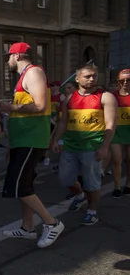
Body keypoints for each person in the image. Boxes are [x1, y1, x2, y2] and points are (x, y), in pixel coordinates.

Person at [0, 42, 65, 248]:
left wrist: (10, 106)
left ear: (17, 56)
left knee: (17, 184)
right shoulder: (25, 75)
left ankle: (52, 222)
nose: (8, 61)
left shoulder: (33, 72)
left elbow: (39, 105)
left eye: (9, 57)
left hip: (31, 138)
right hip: (23, 139)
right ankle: (28, 228)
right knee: (24, 185)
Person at [52, 64, 117, 225]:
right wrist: (55, 140)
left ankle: (92, 211)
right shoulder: (69, 98)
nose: (91, 79)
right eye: (87, 76)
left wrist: (104, 146)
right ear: (77, 78)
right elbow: (63, 122)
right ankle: (80, 196)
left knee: (92, 183)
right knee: (66, 179)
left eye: (94, 76)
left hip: (92, 147)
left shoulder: (105, 96)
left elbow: (110, 124)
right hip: (70, 147)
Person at [110, 69, 130, 197]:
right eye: (122, 80)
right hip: (116, 132)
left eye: (128, 80)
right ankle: (117, 186)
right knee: (117, 160)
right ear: (118, 81)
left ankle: (128, 185)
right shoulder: (112, 97)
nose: (125, 82)